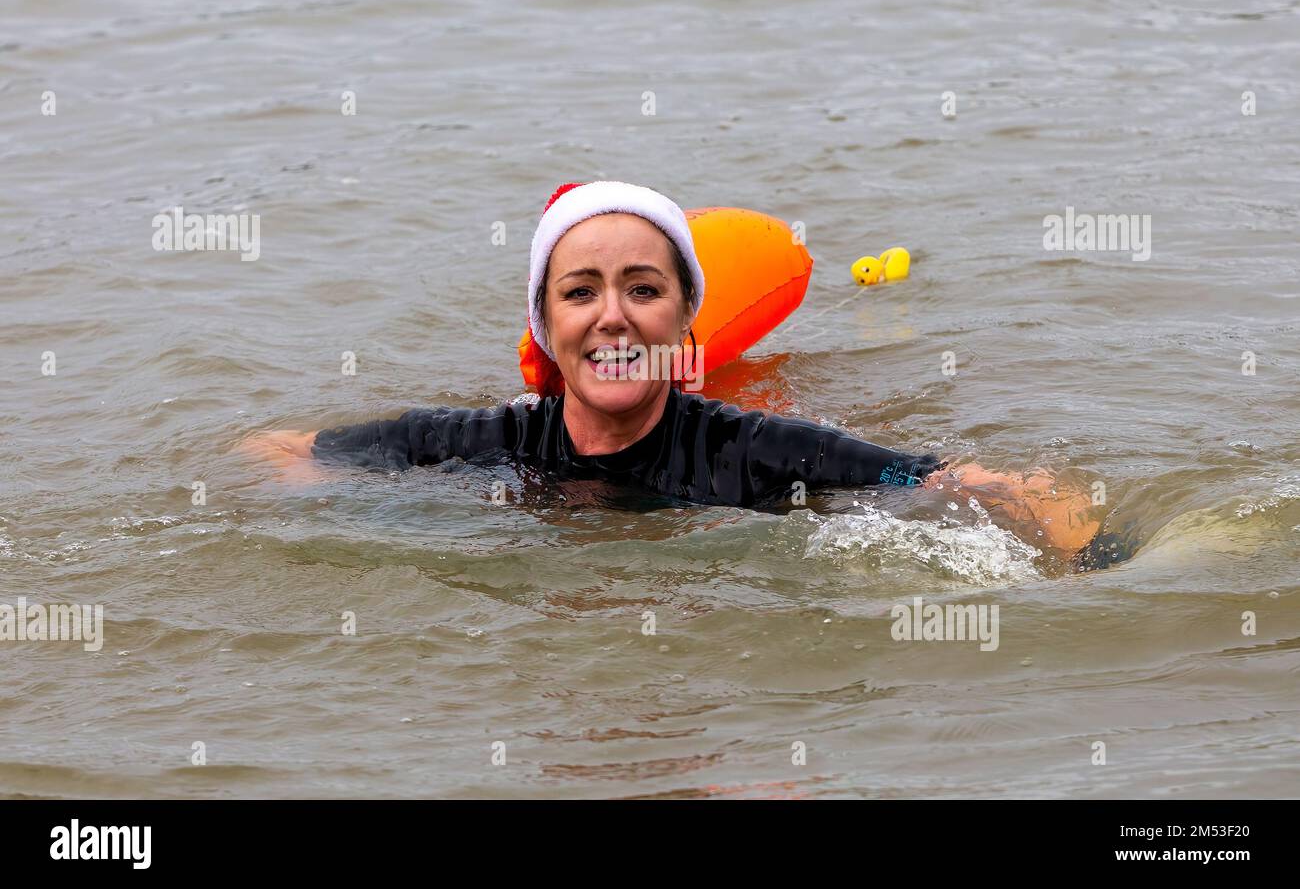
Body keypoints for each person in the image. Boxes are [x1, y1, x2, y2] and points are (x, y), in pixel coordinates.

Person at [243, 181, 1104, 559]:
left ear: (684, 317)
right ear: (544, 325)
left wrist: (1095, 559)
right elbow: (276, 449)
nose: (613, 314)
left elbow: (963, 481)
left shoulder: (760, 451)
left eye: (643, 289)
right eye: (581, 291)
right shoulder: (478, 441)